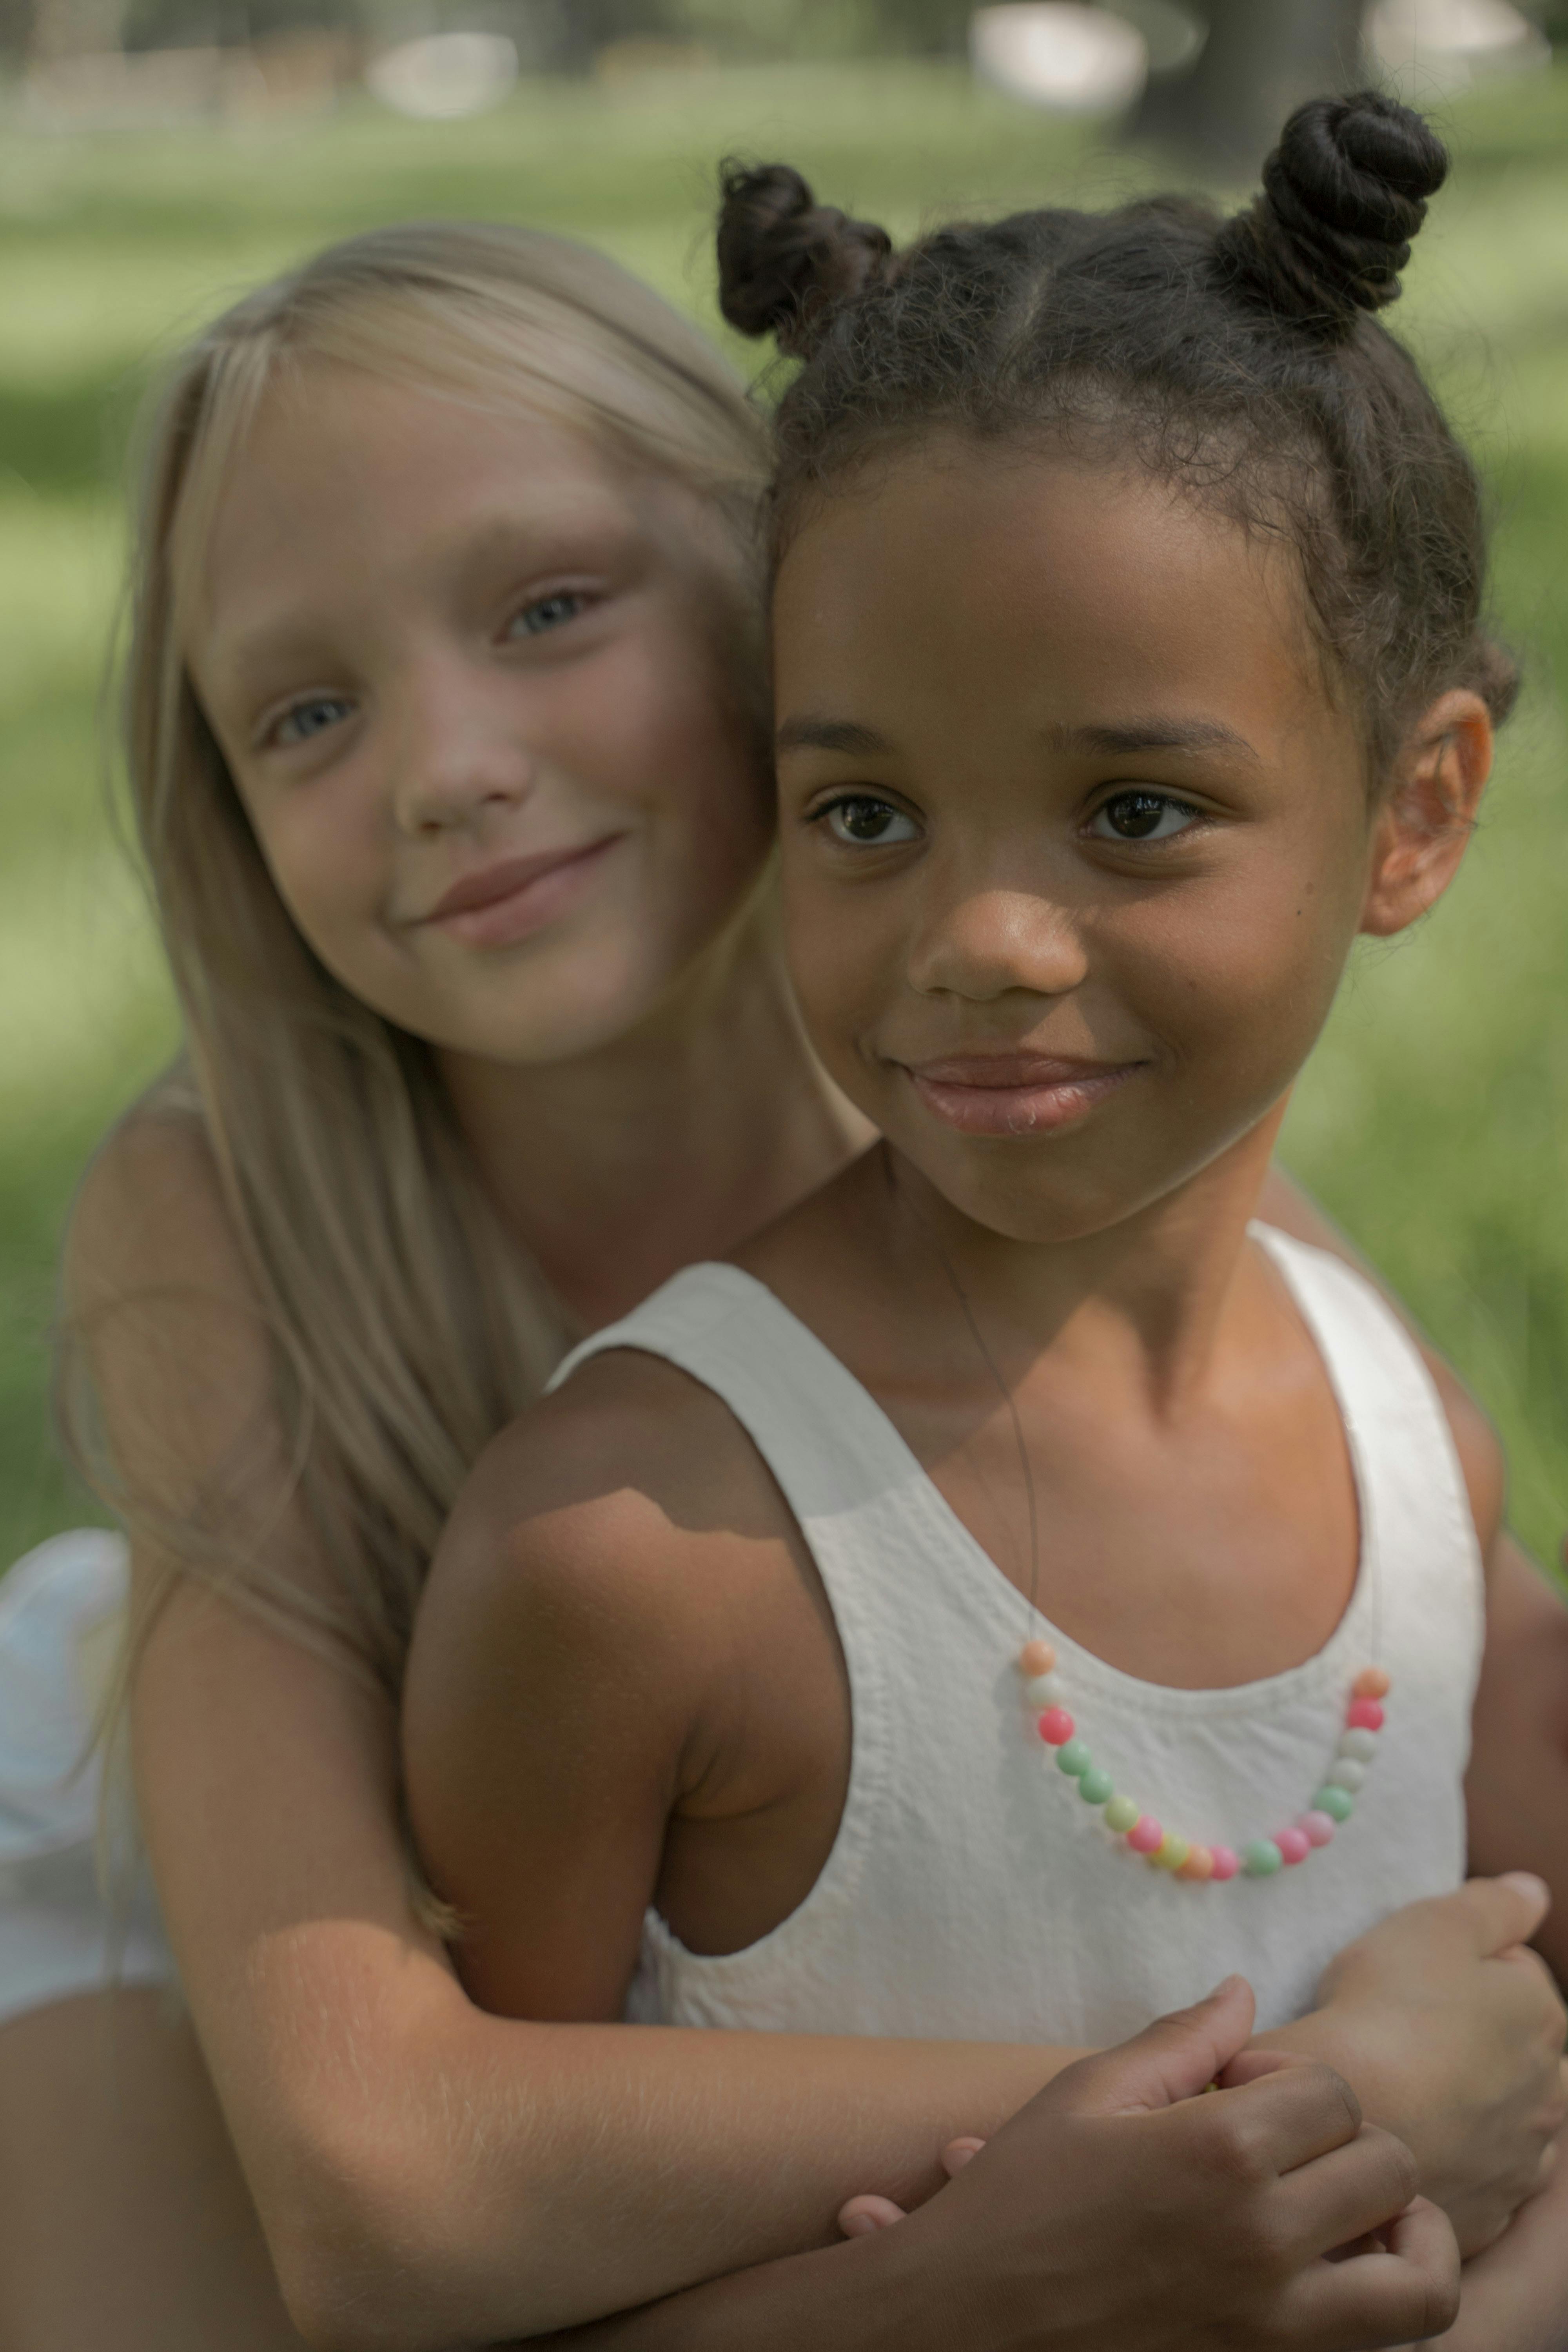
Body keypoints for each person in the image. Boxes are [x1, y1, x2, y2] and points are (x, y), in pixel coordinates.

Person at [0, 201, 1556, 2352]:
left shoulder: (1019, 1111)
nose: (449, 769)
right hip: (245, 1969)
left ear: (782, 598)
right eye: (308, 712)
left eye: (549, 607)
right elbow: (384, 2193)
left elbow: (1459, 1668)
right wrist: (1304, 2103)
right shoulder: (230, 1194)